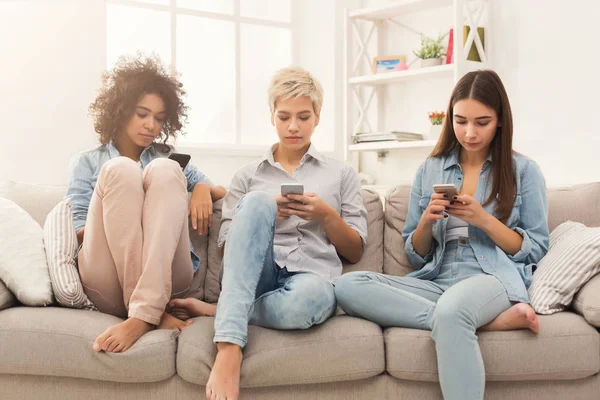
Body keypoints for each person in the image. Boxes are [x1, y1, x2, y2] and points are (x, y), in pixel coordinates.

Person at [334, 70, 550, 400]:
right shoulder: (431, 169)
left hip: (491, 278)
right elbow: (414, 253)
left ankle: (460, 318)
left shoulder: (524, 171)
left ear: (500, 121)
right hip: (437, 280)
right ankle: (482, 322)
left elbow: (535, 249)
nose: (469, 132)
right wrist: (425, 222)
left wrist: (484, 220)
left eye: (482, 122)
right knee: (348, 286)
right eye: (460, 121)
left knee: (453, 312)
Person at [169, 67, 368, 400]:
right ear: (272, 116)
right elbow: (226, 252)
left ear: (318, 117)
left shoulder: (342, 173)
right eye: (285, 116)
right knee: (258, 202)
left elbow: (355, 251)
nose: (293, 126)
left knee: (316, 301)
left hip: (310, 280)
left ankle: (224, 310)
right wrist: (264, 213)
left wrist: (327, 216)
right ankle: (229, 345)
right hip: (256, 274)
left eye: (304, 117)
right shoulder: (247, 175)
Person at [65, 54, 226, 354]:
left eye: (159, 117)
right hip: (107, 277)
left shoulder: (168, 156)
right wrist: (126, 214)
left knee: (166, 170)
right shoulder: (87, 163)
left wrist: (203, 188)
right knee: (121, 171)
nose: (151, 125)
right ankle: (150, 312)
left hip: (168, 277)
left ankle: (141, 315)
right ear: (121, 111)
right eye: (142, 114)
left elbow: (220, 189)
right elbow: (75, 231)